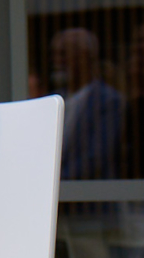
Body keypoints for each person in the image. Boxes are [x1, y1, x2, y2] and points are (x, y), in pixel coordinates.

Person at [53, 27, 125, 181]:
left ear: (85, 56)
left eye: (63, 54)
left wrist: (54, 179)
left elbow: (96, 156)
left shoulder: (109, 101)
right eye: (55, 54)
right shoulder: (54, 100)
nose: (57, 61)